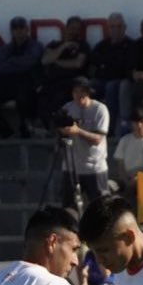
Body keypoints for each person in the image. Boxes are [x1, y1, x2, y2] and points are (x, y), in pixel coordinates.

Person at [0, 16, 44, 139]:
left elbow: (29, 62)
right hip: (7, 84)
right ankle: (8, 134)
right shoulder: (6, 48)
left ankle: (25, 131)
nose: (18, 31)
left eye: (21, 27)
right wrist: (19, 64)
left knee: (23, 99)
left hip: (28, 83)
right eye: (15, 28)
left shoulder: (36, 45)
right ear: (12, 31)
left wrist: (11, 62)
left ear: (27, 29)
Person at [56, 77, 110, 210]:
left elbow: (98, 139)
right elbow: (59, 133)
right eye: (75, 92)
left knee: (101, 209)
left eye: (82, 91)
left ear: (88, 92)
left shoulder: (99, 109)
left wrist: (78, 131)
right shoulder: (67, 108)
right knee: (69, 209)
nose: (79, 95)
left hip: (94, 167)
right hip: (71, 168)